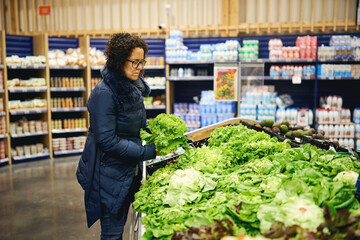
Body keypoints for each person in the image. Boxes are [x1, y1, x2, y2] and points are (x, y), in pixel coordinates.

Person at [76, 32, 156, 240]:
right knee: (112, 233)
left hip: (127, 170)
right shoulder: (104, 93)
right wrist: (143, 152)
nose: (140, 67)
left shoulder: (130, 88)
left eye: (142, 62)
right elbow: (107, 139)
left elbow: (132, 126)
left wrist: (154, 131)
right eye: (135, 62)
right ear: (120, 61)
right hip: (108, 174)